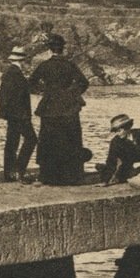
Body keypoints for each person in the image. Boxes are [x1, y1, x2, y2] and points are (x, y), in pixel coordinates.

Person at [28, 34, 90, 185]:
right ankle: (72, 176)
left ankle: (49, 176)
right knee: (71, 140)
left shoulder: (45, 65)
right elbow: (84, 83)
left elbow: (31, 83)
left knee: (49, 141)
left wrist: (45, 92)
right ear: (63, 49)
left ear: (49, 50)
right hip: (69, 108)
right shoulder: (70, 65)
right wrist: (71, 94)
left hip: (49, 108)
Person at [0, 45, 37, 184]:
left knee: (12, 142)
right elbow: (7, 95)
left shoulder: (11, 72)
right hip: (20, 114)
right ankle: (19, 170)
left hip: (13, 114)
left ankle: (9, 173)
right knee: (31, 139)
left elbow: (3, 95)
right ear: (23, 60)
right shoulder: (14, 73)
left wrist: (3, 111)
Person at [96, 114, 140, 186]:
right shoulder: (115, 142)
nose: (117, 133)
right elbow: (111, 162)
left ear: (127, 127)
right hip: (131, 173)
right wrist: (105, 181)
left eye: (119, 130)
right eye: (115, 131)